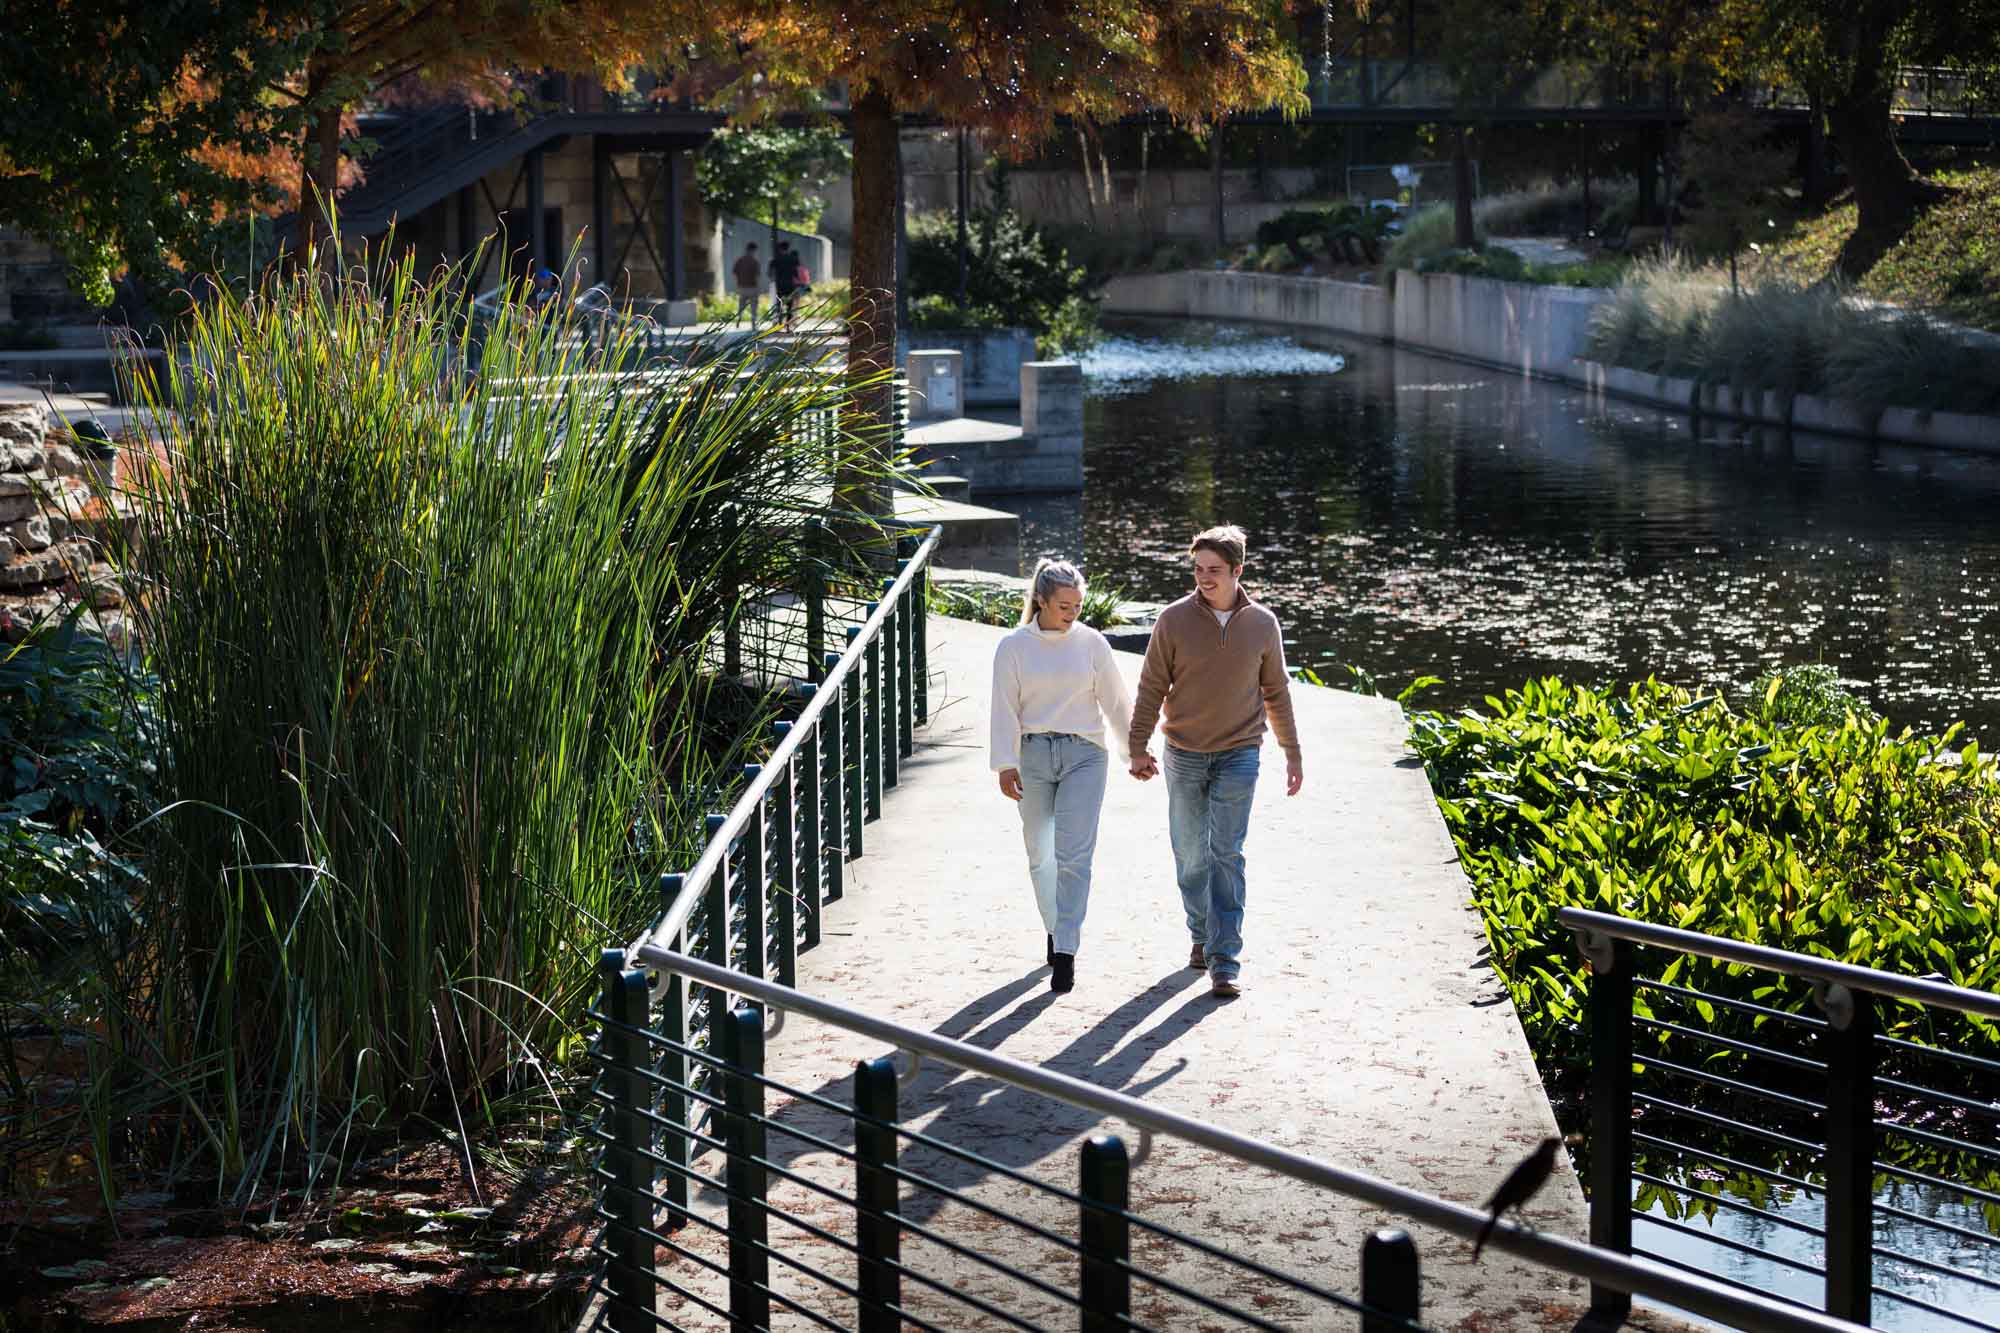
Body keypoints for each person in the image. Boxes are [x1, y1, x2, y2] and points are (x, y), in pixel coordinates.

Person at [1127, 525, 1303, 999]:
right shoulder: (1173, 619)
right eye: (1198, 569)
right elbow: (1150, 687)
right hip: (1183, 753)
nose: (1204, 578)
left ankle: (1225, 960)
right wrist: (1137, 745)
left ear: (1238, 571)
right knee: (1190, 855)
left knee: (1227, 853)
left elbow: (1277, 692)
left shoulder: (1263, 624)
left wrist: (1292, 752)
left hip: (1240, 754)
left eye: (1215, 570)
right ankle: (1201, 936)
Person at [990, 559, 1134, 995]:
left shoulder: (1092, 644)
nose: (1073, 613)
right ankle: (1055, 929)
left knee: (1075, 854)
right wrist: (1004, 764)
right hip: (1031, 755)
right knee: (1041, 854)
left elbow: (1115, 702)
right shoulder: (1013, 646)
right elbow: (1003, 707)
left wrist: (1136, 752)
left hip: (1084, 755)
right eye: (1064, 605)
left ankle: (1066, 950)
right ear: (1041, 601)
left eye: (1078, 605)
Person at [732, 242, 764, 326]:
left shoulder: (740, 260)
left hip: (742, 286)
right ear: (754, 250)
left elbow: (734, 273)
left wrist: (738, 284)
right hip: (752, 287)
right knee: (754, 306)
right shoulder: (755, 261)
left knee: (741, 304)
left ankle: (739, 318)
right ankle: (753, 322)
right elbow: (757, 275)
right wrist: (758, 287)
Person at [770, 241, 799, 329]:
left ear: (780, 249)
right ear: (788, 248)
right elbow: (796, 273)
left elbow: (770, 272)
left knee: (779, 305)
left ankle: (779, 323)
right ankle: (788, 325)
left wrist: (774, 277)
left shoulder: (776, 259)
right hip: (790, 285)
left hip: (779, 285)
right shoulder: (792, 259)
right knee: (789, 306)